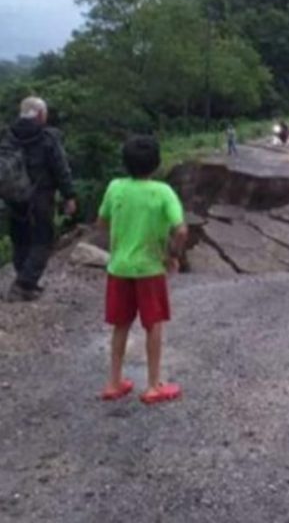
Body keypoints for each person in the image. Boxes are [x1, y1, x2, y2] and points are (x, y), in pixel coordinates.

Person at [97, 135, 188, 405]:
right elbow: (181, 229)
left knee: (120, 324)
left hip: (119, 267)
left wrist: (121, 237)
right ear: (157, 163)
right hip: (150, 269)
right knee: (153, 325)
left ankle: (114, 382)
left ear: (125, 162)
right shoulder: (163, 192)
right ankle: (152, 385)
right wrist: (172, 254)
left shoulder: (115, 187)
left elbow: (101, 222)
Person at [1, 96, 77, 301]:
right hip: (40, 196)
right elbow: (60, 168)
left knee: (20, 240)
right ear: (41, 115)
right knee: (43, 239)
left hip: (12, 197)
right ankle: (23, 284)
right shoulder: (48, 137)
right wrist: (69, 195)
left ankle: (27, 283)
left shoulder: (7, 135)